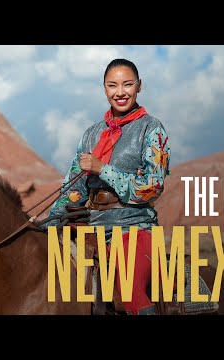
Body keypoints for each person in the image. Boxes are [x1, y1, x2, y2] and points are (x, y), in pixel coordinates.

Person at [44, 58, 171, 315]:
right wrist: (47, 225)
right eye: (112, 85)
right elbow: (73, 189)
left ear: (139, 86)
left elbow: (152, 188)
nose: (120, 92)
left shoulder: (151, 129)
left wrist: (102, 169)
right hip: (91, 227)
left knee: (130, 293)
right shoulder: (91, 135)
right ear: (104, 88)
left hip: (135, 227)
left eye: (127, 84)